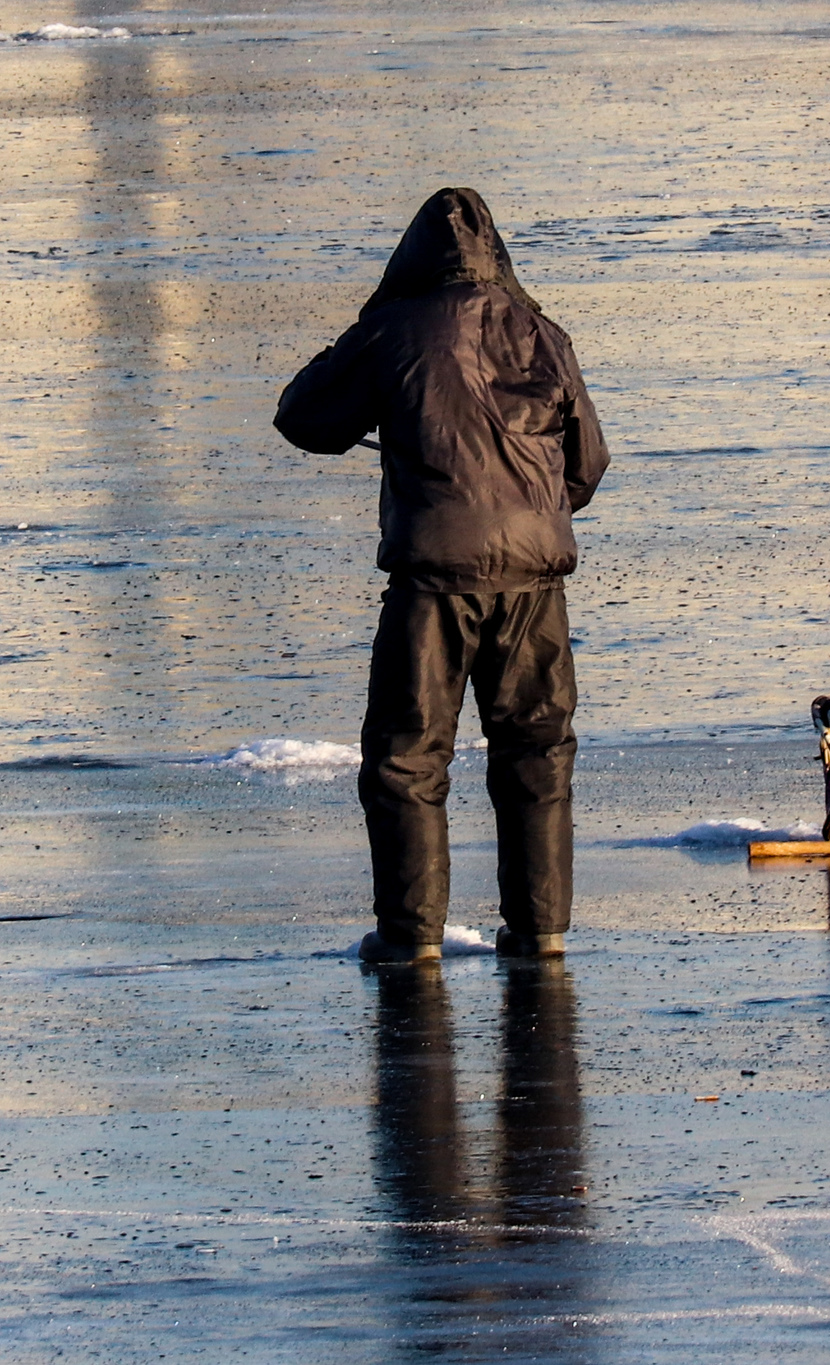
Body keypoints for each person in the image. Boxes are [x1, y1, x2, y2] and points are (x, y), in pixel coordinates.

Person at [274, 187, 609, 963]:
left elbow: (302, 416)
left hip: (433, 580)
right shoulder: (545, 334)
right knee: (538, 751)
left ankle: (412, 938)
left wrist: (369, 342)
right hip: (535, 583)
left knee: (408, 758)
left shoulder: (395, 329)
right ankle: (540, 932)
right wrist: (529, 509)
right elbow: (587, 466)